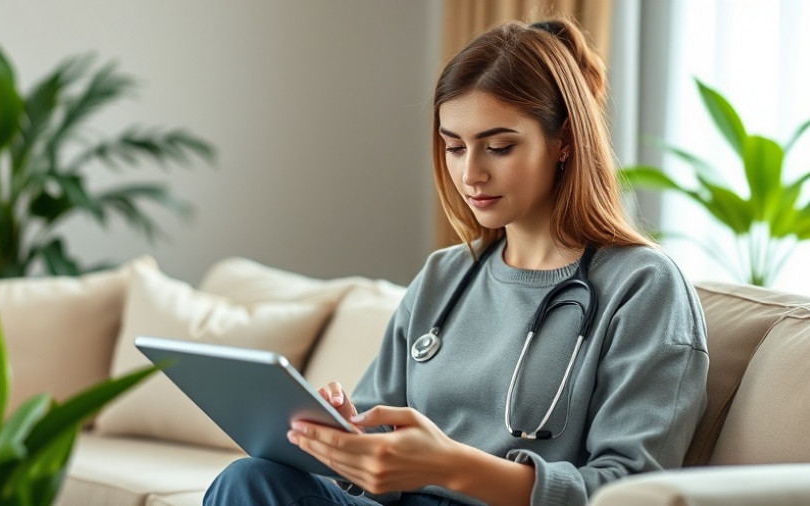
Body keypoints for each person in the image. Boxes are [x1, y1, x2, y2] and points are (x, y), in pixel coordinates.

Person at [203, 18, 709, 506]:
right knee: (250, 480)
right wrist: (348, 435)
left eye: (499, 147)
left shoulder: (642, 285)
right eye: (454, 147)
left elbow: (631, 492)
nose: (471, 174)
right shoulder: (445, 276)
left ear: (564, 143)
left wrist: (446, 466)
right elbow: (380, 437)